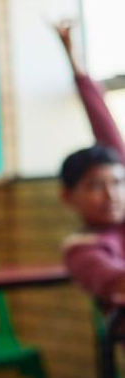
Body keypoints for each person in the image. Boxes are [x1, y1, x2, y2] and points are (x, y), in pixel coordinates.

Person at [54, 21, 125, 302]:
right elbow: (115, 282)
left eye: (119, 183)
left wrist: (77, 64)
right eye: (95, 186)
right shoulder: (82, 249)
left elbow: (105, 127)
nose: (112, 195)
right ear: (68, 196)